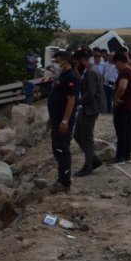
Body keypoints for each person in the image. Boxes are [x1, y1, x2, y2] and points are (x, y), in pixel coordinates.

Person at [43, 51, 79, 191]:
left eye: (58, 61)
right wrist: (51, 119)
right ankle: (61, 178)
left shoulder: (71, 77)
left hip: (63, 121)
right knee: (58, 149)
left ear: (65, 60)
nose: (56, 64)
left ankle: (65, 183)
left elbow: (71, 100)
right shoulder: (62, 75)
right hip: (56, 119)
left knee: (62, 150)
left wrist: (65, 121)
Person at [72, 49, 106, 177]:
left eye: (76, 63)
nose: (76, 66)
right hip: (86, 107)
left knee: (87, 137)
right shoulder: (88, 70)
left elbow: (90, 93)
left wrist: (78, 102)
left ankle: (88, 166)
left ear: (82, 61)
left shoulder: (91, 72)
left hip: (91, 108)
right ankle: (93, 159)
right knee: (77, 134)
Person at [107, 53, 131, 165]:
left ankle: (119, 157)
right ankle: (127, 155)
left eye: (115, 64)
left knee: (121, 133)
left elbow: (122, 87)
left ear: (119, 62)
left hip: (123, 107)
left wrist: (116, 98)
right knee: (128, 132)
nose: (116, 66)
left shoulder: (125, 72)